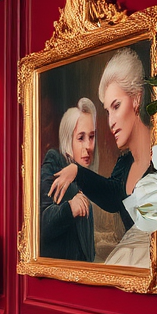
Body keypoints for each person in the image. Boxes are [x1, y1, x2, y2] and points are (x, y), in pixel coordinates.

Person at [47, 48, 153, 267]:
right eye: (107, 111)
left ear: (136, 99)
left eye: (116, 106)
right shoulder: (124, 164)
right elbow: (112, 198)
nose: (111, 120)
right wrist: (77, 171)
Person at [39, 98, 96, 261]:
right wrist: (69, 209)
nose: (88, 146)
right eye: (80, 138)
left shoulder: (82, 174)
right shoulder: (55, 161)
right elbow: (41, 226)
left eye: (91, 137)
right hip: (57, 276)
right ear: (67, 139)